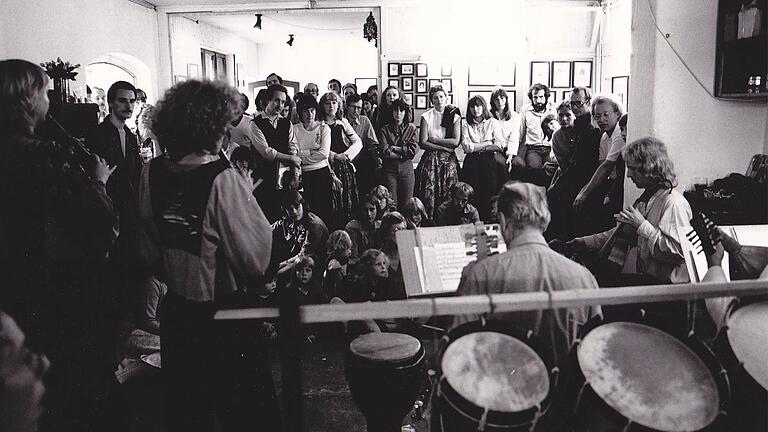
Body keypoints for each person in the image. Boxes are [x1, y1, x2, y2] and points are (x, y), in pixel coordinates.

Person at [140, 79, 279, 431]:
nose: (228, 133)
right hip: (224, 315)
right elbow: (256, 257)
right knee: (243, 411)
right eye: (225, 125)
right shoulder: (223, 179)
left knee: (190, 411)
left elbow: (150, 246)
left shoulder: (151, 172)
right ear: (210, 125)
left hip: (178, 313)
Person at [1, 59, 119, 432]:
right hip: (56, 284)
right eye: (46, 93)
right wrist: (99, 182)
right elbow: (98, 222)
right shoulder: (47, 154)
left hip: (9, 288)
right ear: (27, 99)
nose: (50, 100)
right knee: (72, 384)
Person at [452, 181, 599, 366]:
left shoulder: (482, 273)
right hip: (563, 391)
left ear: (504, 222)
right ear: (544, 221)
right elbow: (594, 354)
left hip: (502, 387)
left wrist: (465, 284)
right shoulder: (585, 278)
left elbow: (458, 349)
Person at [565, 137, 691, 329]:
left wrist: (643, 227)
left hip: (669, 290)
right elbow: (616, 234)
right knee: (599, 286)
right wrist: (584, 242)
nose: (629, 175)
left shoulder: (673, 202)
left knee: (604, 295)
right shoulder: (647, 198)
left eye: (632, 169)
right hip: (651, 282)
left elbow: (678, 252)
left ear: (649, 167)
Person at [248, 84, 302, 222]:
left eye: (283, 102)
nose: (280, 105)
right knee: (266, 220)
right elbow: (267, 152)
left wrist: (295, 173)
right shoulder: (255, 124)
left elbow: (293, 147)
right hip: (263, 178)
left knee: (285, 219)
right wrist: (292, 158)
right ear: (267, 100)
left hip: (283, 178)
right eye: (277, 100)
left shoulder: (286, 123)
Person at [573, 94, 626, 231]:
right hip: (609, 182)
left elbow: (607, 166)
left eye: (606, 115)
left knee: (594, 205)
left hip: (619, 184)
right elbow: (601, 166)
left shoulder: (620, 133)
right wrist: (584, 190)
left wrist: (584, 193)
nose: (601, 120)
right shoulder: (604, 137)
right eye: (597, 116)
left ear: (617, 114)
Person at [415, 84, 461, 219]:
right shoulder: (426, 116)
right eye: (435, 98)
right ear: (431, 100)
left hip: (448, 161)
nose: (439, 100)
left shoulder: (454, 115)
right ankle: (430, 221)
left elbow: (455, 142)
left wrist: (434, 139)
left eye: (441, 97)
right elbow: (423, 143)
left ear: (446, 98)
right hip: (431, 159)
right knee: (429, 192)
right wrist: (443, 147)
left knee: (449, 190)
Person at [319, 91, 363, 227]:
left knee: (347, 203)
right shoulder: (319, 124)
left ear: (339, 105)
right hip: (327, 166)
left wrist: (346, 156)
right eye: (327, 103)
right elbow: (316, 146)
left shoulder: (342, 122)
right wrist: (334, 156)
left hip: (344, 167)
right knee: (331, 204)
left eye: (334, 103)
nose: (331, 106)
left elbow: (358, 142)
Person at [460, 95, 506, 221]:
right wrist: (488, 143)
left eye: (478, 106)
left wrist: (480, 147)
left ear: (483, 107)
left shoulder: (493, 122)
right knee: (472, 194)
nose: (475, 109)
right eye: (472, 106)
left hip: (488, 161)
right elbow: (467, 148)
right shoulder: (465, 124)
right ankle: (474, 222)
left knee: (488, 194)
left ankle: (487, 224)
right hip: (471, 162)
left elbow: (500, 145)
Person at [293, 93, 333, 226]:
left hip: (321, 174)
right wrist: (311, 151)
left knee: (323, 213)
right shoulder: (294, 129)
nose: (309, 114)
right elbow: (294, 153)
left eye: (312, 110)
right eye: (305, 111)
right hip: (303, 176)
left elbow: (323, 154)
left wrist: (302, 157)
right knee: (306, 215)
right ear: (300, 113)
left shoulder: (324, 128)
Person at [270, 190, 329, 279]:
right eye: (289, 209)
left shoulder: (314, 225)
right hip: (296, 263)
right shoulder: (288, 220)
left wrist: (275, 273)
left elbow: (303, 257)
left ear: (303, 205)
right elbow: (269, 229)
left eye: (297, 207)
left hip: (313, 268)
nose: (294, 211)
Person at [377, 98, 418, 209]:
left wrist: (395, 148)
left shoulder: (412, 128)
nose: (398, 113)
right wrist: (402, 152)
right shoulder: (384, 129)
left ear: (406, 112)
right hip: (390, 170)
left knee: (408, 203)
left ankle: (407, 226)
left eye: (401, 110)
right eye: (395, 110)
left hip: (407, 169)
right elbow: (385, 152)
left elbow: (412, 152)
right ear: (392, 112)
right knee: (391, 203)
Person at [345, 93, 381, 198]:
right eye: (353, 107)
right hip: (344, 162)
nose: (356, 111)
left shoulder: (364, 120)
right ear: (347, 106)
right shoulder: (341, 121)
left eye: (359, 108)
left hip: (360, 164)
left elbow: (373, 143)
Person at [518, 83, 555, 169]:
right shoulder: (525, 110)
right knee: (534, 168)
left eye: (541, 97)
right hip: (533, 149)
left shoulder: (553, 109)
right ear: (531, 98)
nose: (538, 100)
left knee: (551, 168)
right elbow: (520, 133)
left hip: (551, 148)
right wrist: (518, 154)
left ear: (546, 97)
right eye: (535, 97)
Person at [490, 87, 522, 172]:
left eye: (502, 98)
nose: (500, 102)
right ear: (493, 102)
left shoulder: (515, 116)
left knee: (519, 164)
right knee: (501, 164)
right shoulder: (489, 116)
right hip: (495, 149)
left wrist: (510, 156)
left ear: (506, 99)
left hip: (509, 149)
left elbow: (514, 138)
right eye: (496, 100)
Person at [345, 196, 380, 260]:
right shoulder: (352, 228)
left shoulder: (381, 226)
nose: (369, 214)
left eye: (372, 210)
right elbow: (353, 256)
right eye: (365, 210)